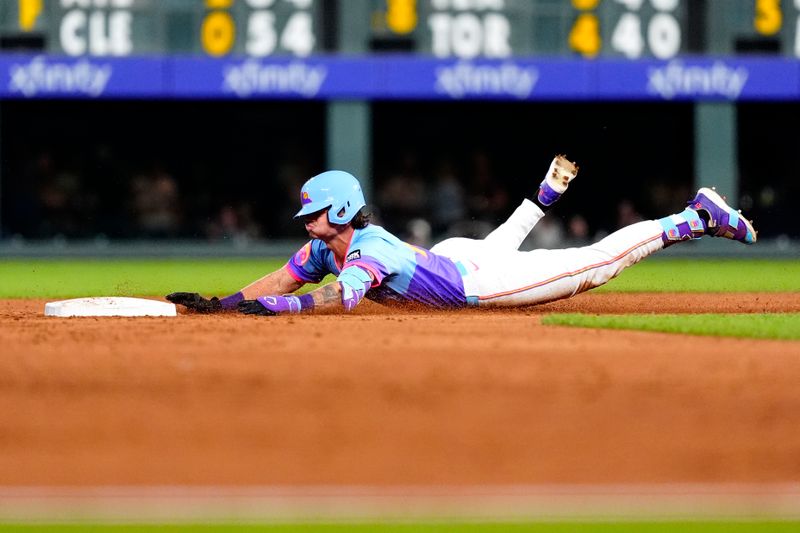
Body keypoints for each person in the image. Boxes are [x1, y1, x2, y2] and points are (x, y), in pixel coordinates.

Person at [166, 156, 756, 315]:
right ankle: (544, 196)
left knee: (592, 263)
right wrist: (230, 301)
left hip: (477, 283)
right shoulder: (328, 244)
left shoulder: (364, 250)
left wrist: (268, 310)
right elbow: (289, 275)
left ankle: (693, 217)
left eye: (316, 215)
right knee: (492, 243)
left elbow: (336, 299)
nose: (310, 225)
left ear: (341, 211)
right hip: (448, 259)